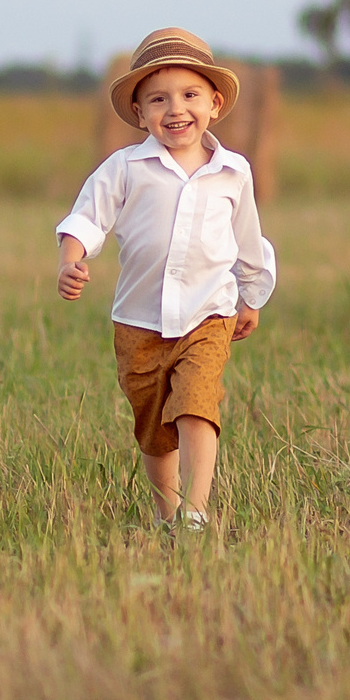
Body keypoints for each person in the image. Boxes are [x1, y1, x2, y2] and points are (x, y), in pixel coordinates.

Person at [56, 28, 276, 533]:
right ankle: (167, 516)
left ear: (215, 104)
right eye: (159, 99)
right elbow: (86, 218)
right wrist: (71, 260)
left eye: (190, 95)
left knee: (197, 404)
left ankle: (196, 513)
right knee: (155, 431)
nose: (176, 109)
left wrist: (251, 298)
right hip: (139, 322)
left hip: (208, 312)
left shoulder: (234, 173)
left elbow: (248, 240)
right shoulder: (125, 168)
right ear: (139, 113)